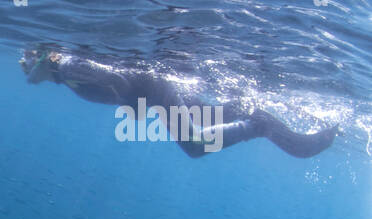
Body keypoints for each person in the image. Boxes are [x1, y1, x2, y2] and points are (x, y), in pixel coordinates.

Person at [20, 45, 338, 158]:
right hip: (154, 93)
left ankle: (259, 124)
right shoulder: (66, 75)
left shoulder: (69, 67)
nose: (23, 65)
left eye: (27, 60)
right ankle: (259, 113)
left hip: (156, 89)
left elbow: (119, 80)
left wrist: (128, 103)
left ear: (43, 58)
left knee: (195, 145)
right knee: (215, 117)